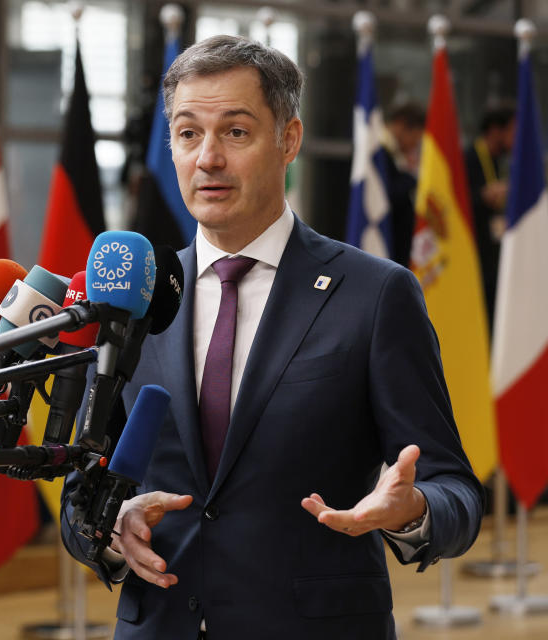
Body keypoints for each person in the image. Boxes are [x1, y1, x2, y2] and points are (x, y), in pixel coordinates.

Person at [61, 35, 483, 639]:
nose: (207, 158)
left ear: (289, 140)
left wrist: (412, 511)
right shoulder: (132, 298)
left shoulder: (374, 294)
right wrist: (107, 533)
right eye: (187, 133)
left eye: (235, 132)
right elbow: (81, 489)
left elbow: (456, 492)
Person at [464, 103, 515, 328]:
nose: (517, 136)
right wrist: (482, 197)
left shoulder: (505, 162)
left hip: (497, 254)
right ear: (495, 130)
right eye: (513, 129)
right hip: (473, 256)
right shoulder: (468, 158)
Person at [382, 100, 425, 266]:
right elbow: (388, 195)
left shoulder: (396, 154)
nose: (415, 145)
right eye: (415, 137)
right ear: (400, 125)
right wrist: (412, 176)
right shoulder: (380, 153)